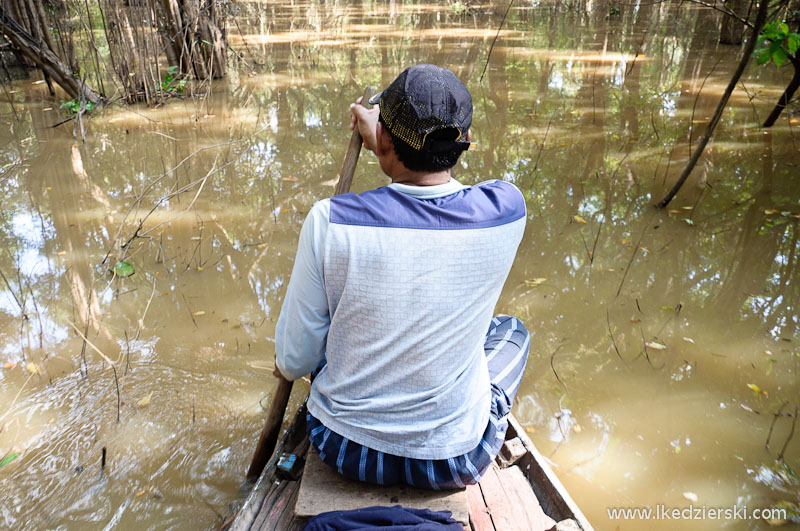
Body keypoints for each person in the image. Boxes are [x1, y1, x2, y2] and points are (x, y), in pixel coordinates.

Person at [274, 64, 529, 490]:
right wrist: (394, 148)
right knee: (509, 330)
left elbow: (294, 361)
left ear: (385, 140)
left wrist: (381, 149)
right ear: (465, 143)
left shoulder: (330, 221)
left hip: (343, 448)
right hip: (454, 458)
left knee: (330, 332)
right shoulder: (507, 210)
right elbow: (444, 193)